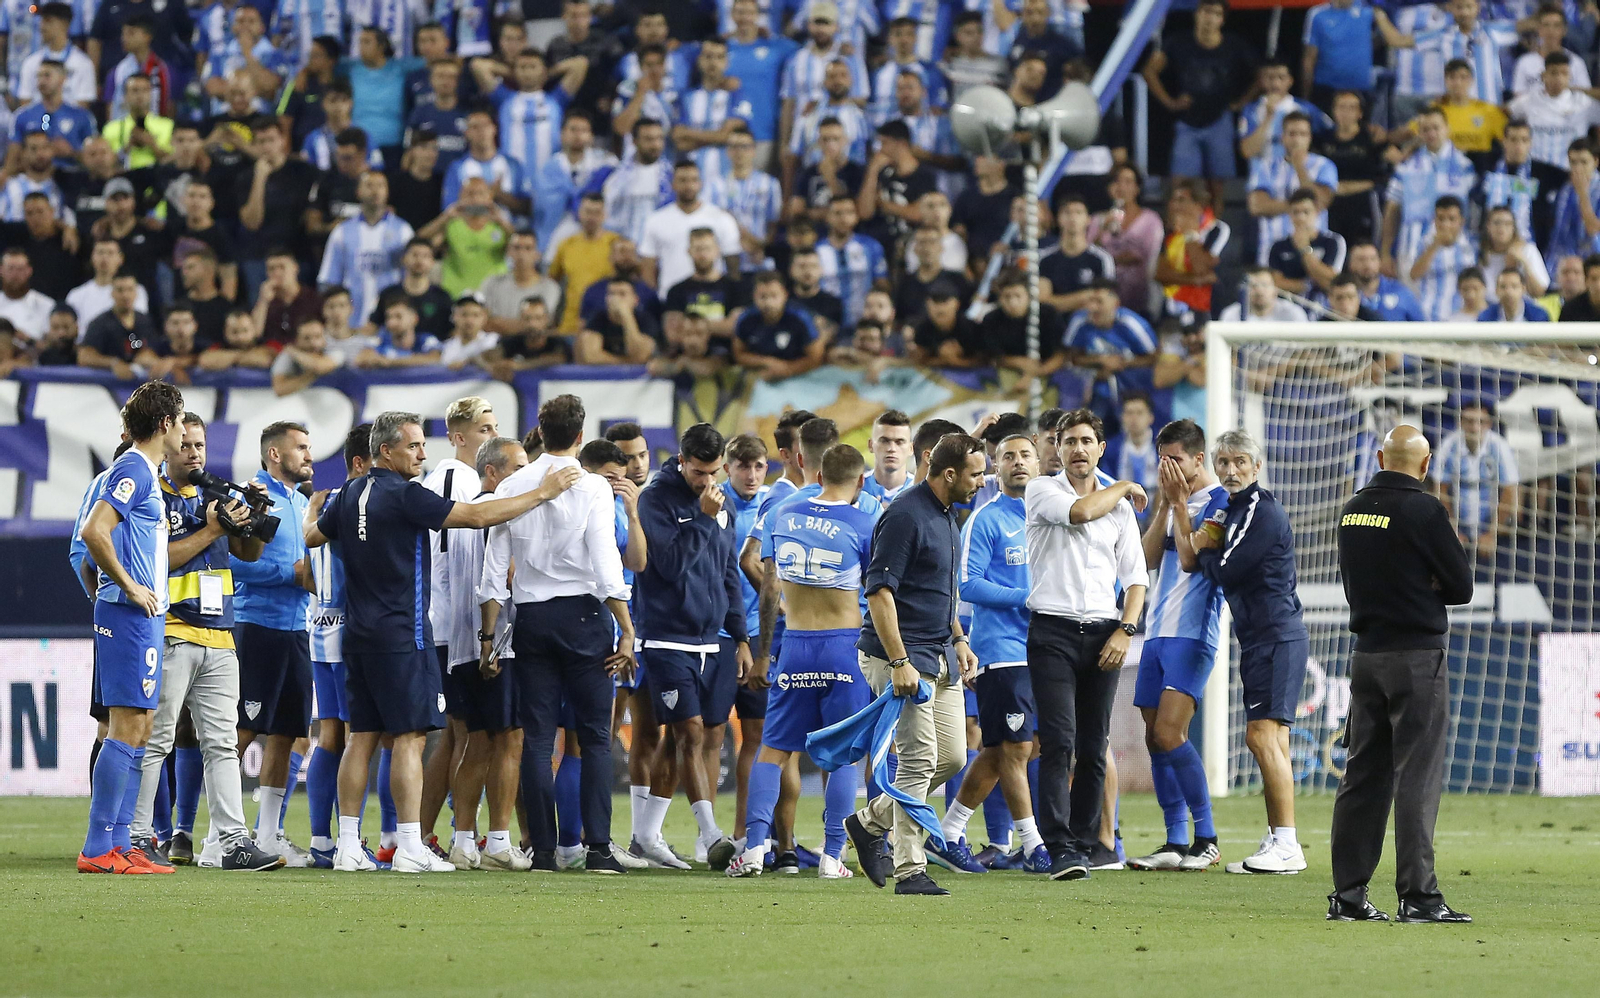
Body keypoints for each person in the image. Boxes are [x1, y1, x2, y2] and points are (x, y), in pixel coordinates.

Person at [307, 410, 585, 873]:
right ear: (385, 451)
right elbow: (477, 516)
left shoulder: (350, 492)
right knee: (411, 739)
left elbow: (314, 535)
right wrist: (543, 492)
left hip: (356, 636)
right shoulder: (405, 495)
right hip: (403, 634)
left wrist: (316, 510)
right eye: (413, 446)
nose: (422, 453)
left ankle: (348, 846)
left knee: (361, 738)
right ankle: (411, 847)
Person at [478, 398, 632, 876]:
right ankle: (598, 849)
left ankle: (542, 851)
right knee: (595, 738)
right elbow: (607, 564)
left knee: (538, 741)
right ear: (581, 436)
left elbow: (492, 571)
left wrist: (488, 638)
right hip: (585, 616)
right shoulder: (592, 488)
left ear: (539, 432)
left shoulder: (514, 484)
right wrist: (626, 628)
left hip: (533, 619)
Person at [124, 411, 283, 872]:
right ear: (167, 445)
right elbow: (156, 559)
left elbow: (248, 552)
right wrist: (213, 528)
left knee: (222, 742)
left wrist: (254, 517)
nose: (193, 453)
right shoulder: (154, 496)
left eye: (200, 446)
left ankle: (232, 841)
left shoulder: (213, 494)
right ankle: (138, 836)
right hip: (171, 630)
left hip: (219, 634)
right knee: (156, 740)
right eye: (186, 444)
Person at [1330, 424, 1474, 923]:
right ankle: (1419, 897)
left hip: (1366, 658)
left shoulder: (1352, 510)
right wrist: (1425, 582)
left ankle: (1348, 897)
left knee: (1361, 777)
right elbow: (1461, 586)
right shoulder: (1426, 510)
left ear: (1379, 456)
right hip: (1416, 659)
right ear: (1426, 463)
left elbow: (1357, 582)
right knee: (1416, 776)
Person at [844, 432, 986, 896]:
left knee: (952, 756)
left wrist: (960, 638)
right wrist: (900, 661)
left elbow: (941, 592)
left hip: (940, 652)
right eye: (976, 474)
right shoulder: (904, 515)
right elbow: (879, 592)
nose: (982, 482)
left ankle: (868, 822)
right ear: (949, 474)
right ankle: (910, 869)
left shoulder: (948, 516)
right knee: (920, 757)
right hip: (897, 656)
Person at [731, 441, 877, 880]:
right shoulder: (866, 520)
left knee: (773, 750)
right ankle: (833, 857)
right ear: (861, 482)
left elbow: (769, 589)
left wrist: (764, 651)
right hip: (844, 645)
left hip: (794, 643)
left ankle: (755, 849)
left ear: (816, 476)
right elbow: (878, 590)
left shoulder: (785, 514)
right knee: (842, 758)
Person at [1021, 409, 1148, 880]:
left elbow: (1136, 579)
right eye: (1069, 440)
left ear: (1100, 448)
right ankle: (1058, 847)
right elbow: (1079, 513)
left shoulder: (1118, 503)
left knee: (1095, 746)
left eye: (1086, 441)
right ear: (1057, 447)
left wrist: (1126, 629)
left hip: (1104, 634)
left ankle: (1086, 841)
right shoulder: (1042, 490)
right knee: (1059, 741)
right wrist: (1126, 487)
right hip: (1051, 631)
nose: (1077, 449)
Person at [631, 423, 753, 871]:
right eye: (699, 471)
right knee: (690, 733)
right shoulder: (655, 500)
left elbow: (727, 573)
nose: (708, 481)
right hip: (665, 637)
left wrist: (739, 636)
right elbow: (668, 566)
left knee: (681, 738)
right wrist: (701, 516)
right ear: (681, 461)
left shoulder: (721, 503)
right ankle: (712, 834)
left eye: (714, 472)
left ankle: (645, 835)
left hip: (711, 640)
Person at [1189, 429, 1310, 874]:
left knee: (1262, 737)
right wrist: (1208, 544)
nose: (1231, 470)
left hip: (1277, 636)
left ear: (1256, 467)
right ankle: (1279, 838)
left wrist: (1205, 547)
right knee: (1271, 739)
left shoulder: (1261, 510)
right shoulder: (1230, 507)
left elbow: (1225, 569)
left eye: (1240, 462)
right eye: (1223, 462)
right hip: (1260, 637)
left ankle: (1287, 844)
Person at [932, 433, 1051, 874]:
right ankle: (1034, 845)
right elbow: (969, 584)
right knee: (1016, 749)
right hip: (1002, 651)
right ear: (995, 470)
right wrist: (1026, 597)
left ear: (1039, 463)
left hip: (1044, 649)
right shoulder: (986, 520)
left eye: (1025, 455)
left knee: (1012, 748)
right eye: (1007, 457)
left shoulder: (1051, 515)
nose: (1017, 462)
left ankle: (948, 832)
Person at [1126, 419, 1229, 872]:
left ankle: (1206, 838)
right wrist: (1166, 506)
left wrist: (1182, 504)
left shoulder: (1222, 502)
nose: (1170, 468)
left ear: (1199, 458)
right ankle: (1174, 840)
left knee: (1171, 732)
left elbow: (1192, 562)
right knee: (1153, 736)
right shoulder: (1172, 500)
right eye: (1163, 459)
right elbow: (1147, 559)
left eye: (1178, 460)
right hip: (1157, 633)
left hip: (1192, 634)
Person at [416, 397, 502, 862]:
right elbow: (454, 555)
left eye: (493, 428)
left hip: (456, 624)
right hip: (456, 627)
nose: (490, 435)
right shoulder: (454, 476)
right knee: (470, 735)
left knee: (454, 735)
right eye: (483, 428)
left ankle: (428, 833)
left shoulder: (464, 477)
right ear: (457, 435)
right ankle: (451, 836)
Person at [229, 421, 316, 867]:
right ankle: (221, 837)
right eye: (300, 447)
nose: (309, 454)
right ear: (275, 455)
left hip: (296, 628)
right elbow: (231, 564)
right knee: (242, 732)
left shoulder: (302, 504)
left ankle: (267, 835)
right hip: (256, 626)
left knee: (287, 733)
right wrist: (290, 574)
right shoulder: (250, 499)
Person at [1144, 0, 1258, 208]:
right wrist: (1169, 102)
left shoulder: (1234, 45)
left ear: (1222, 19)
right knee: (1180, 185)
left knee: (1217, 186)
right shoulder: (1178, 42)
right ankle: (1177, 234)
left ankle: (1218, 230)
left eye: (1216, 13)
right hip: (1187, 121)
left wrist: (1243, 101)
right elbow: (1150, 71)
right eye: (1206, 11)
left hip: (1219, 120)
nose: (1209, 18)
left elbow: (1260, 75)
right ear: (1197, 14)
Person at [318, 171, 414, 325]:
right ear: (358, 192)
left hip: (389, 322)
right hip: (351, 322)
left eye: (380, 186)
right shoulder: (342, 232)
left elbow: (410, 280)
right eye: (369, 185)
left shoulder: (403, 231)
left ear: (387, 192)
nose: (375, 191)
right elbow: (330, 281)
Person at [1247, 113, 1338, 266]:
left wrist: (1299, 167)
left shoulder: (1324, 166)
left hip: (1314, 248)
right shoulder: (1265, 166)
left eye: (1302, 134)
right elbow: (1257, 206)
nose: (1297, 139)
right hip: (1272, 246)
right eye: (1292, 133)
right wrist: (1303, 207)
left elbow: (1321, 202)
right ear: (1283, 137)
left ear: (1310, 138)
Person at [1434, 400, 1519, 560]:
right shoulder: (1448, 445)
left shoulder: (1499, 446)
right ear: (1461, 421)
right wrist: (1452, 530)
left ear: (1489, 424)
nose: (1474, 427)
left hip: (1493, 525)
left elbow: (1510, 490)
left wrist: (1491, 534)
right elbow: (1440, 489)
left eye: (1481, 422)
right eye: (1469, 421)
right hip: (1457, 524)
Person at [731, 271, 826, 380]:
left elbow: (816, 357)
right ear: (754, 296)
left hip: (801, 375)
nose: (768, 303)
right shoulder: (745, 319)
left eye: (774, 296)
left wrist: (787, 370)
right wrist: (767, 362)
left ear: (785, 295)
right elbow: (739, 354)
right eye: (762, 297)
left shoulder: (801, 317)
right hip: (761, 374)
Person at [1267, 188, 1347, 296]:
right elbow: (1276, 283)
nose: (1301, 218)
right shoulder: (1278, 246)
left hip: (1323, 304)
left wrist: (1305, 249)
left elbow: (1332, 280)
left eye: (1306, 212)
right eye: (1296, 212)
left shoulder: (1333, 241)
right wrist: (1308, 285)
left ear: (1317, 212)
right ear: (1289, 214)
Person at [862, 410, 914, 505]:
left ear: (911, 449)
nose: (891, 448)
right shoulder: (854, 489)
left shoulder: (923, 493)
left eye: (899, 442)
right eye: (884, 441)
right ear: (871, 445)